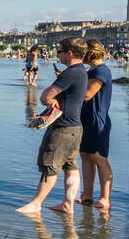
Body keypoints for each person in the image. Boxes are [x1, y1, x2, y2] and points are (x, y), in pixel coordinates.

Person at [16, 37, 89, 215]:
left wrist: (51, 98)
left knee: (51, 165)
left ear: (70, 53)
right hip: (75, 126)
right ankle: (67, 204)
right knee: (70, 165)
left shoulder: (71, 72)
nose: (58, 55)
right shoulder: (82, 71)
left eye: (60, 51)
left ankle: (36, 203)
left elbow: (44, 96)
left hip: (62, 127)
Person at [78, 40, 114, 209]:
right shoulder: (91, 70)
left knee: (99, 158)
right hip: (86, 119)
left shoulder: (101, 71)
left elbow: (87, 94)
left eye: (84, 51)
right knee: (85, 156)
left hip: (96, 120)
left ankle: (105, 198)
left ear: (91, 51)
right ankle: (87, 194)